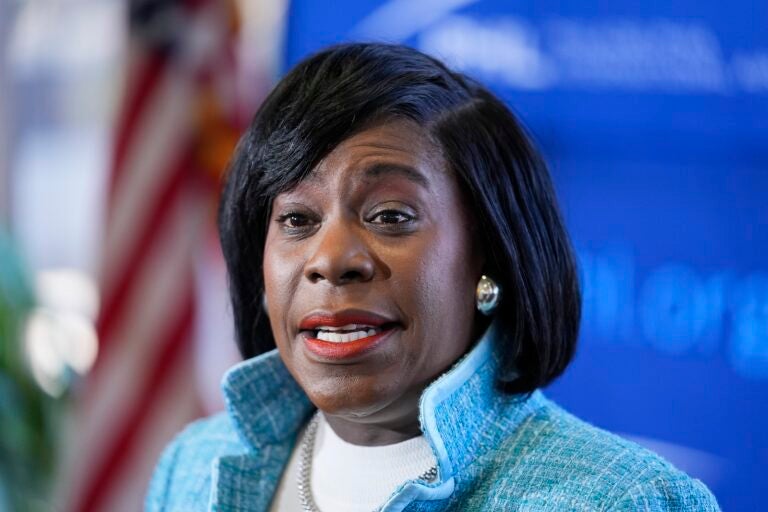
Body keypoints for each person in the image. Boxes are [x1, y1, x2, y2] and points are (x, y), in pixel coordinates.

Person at [146, 43, 720, 511]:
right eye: (297, 219)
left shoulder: (619, 500)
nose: (331, 258)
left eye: (391, 216)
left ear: (490, 255)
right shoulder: (196, 466)